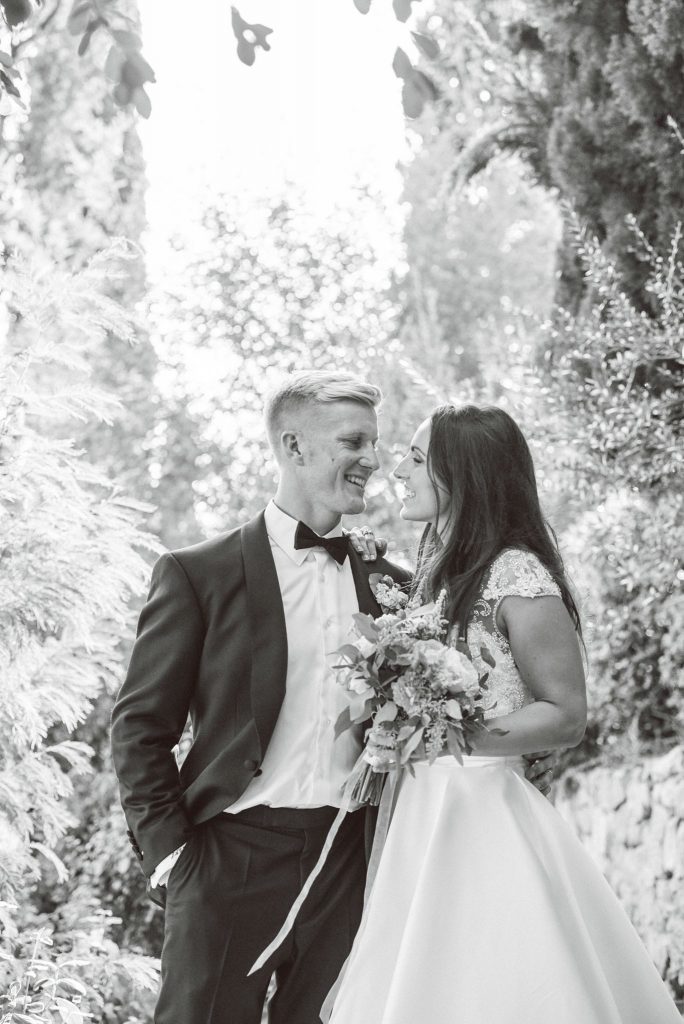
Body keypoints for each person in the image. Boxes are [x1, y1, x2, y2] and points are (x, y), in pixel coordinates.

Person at [326, 404, 682, 1024]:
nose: (399, 473)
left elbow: (567, 715)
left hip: (485, 815)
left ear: (460, 472)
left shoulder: (517, 575)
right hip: (421, 814)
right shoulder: (437, 576)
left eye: (415, 458)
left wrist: (441, 731)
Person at [110, 371, 413, 1024]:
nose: (373, 459)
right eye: (353, 441)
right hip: (228, 855)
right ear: (293, 447)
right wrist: (173, 854)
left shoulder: (395, 584)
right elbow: (139, 726)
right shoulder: (199, 573)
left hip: (348, 858)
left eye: (375, 443)